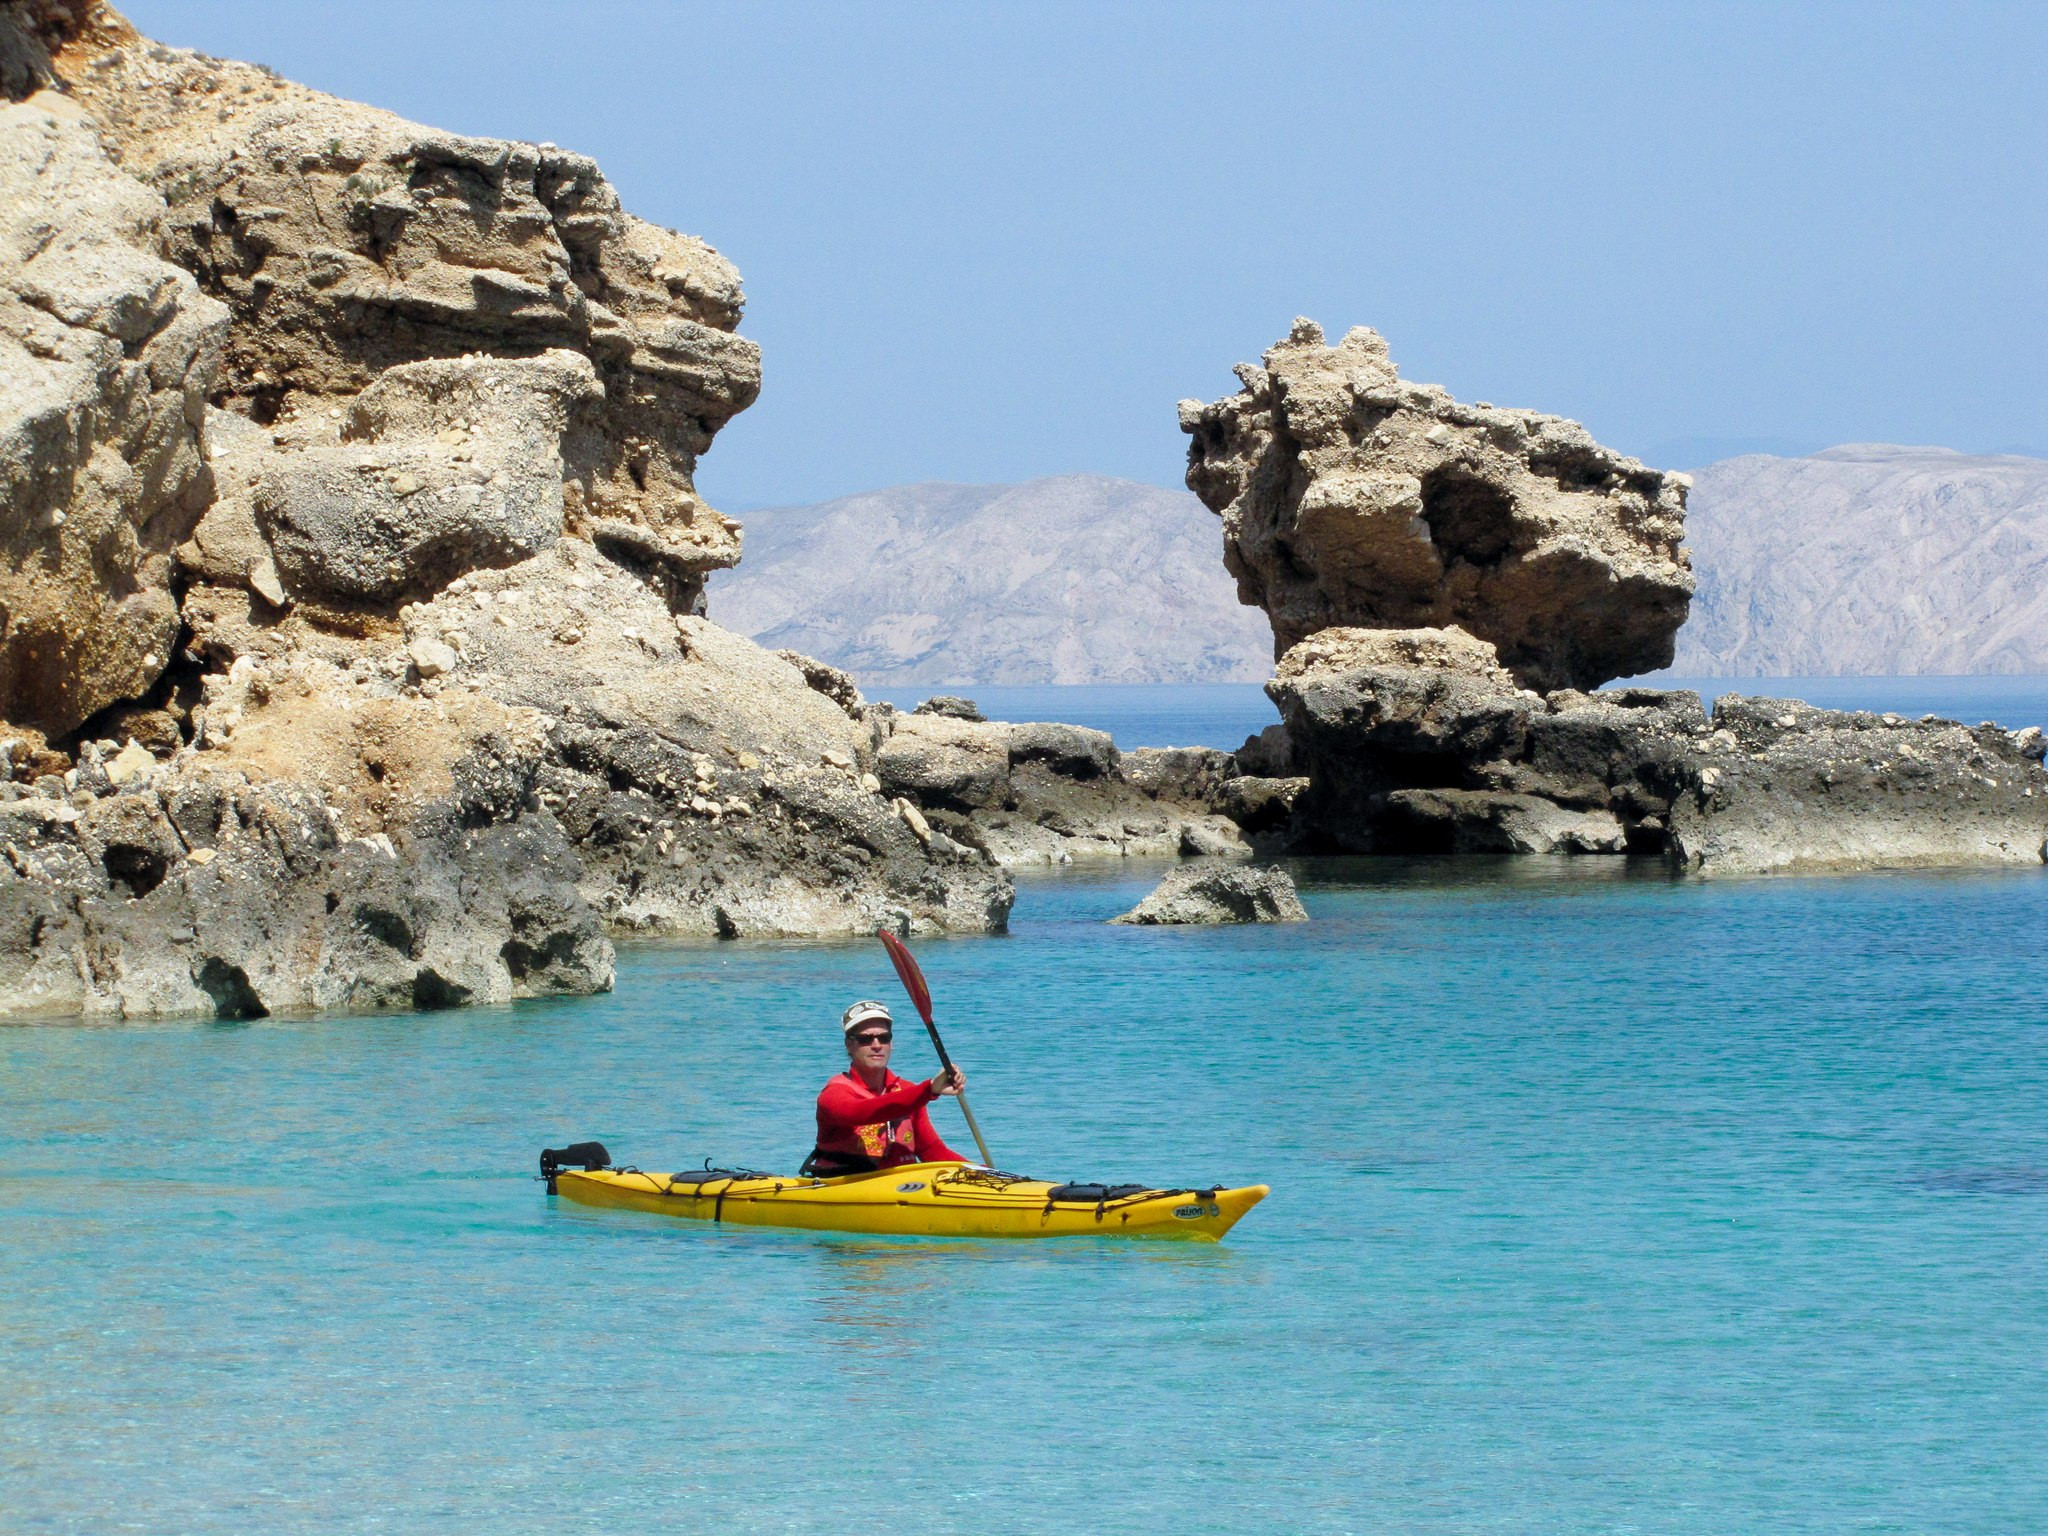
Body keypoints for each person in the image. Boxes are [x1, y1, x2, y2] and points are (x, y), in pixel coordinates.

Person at [803, 1000, 968, 1176]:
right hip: (847, 1184)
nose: (876, 1045)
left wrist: (983, 1172)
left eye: (884, 1038)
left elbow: (931, 1151)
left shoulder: (907, 1091)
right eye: (865, 1039)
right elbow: (861, 1112)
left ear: (891, 1043)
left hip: (904, 1186)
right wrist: (929, 1090)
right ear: (849, 1045)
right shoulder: (833, 1094)